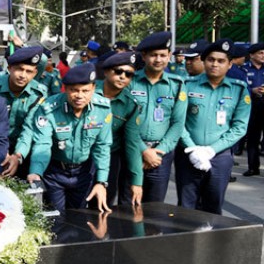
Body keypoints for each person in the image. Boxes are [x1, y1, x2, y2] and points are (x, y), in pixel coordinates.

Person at [176, 39, 250, 214]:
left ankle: (212, 241)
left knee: (214, 205)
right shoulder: (186, 86)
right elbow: (178, 121)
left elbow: (239, 127)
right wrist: (192, 148)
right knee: (186, 206)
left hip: (219, 157)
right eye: (210, 59)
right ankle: (187, 240)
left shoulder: (238, 90)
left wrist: (211, 150)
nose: (215, 64)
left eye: (221, 60)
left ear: (230, 64)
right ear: (203, 60)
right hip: (188, 154)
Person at [27, 63, 112, 213]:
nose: (79, 96)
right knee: (56, 219)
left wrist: (101, 181)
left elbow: (102, 147)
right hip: (55, 173)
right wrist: (36, 172)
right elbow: (42, 143)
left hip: (83, 173)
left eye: (85, 91)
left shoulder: (102, 108)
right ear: (65, 88)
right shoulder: (49, 108)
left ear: (93, 88)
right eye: (74, 90)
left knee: (78, 219)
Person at [128, 31, 187, 202]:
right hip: (133, 151)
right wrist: (144, 150)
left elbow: (177, 123)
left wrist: (157, 153)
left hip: (161, 155)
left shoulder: (177, 84)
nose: (158, 59)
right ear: (144, 56)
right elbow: (124, 121)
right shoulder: (130, 81)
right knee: (127, 206)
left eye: (163, 55)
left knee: (155, 208)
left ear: (169, 56)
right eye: (153, 55)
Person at [0, 46, 49, 178]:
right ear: (9, 68)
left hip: (22, 149)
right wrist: (0, 152)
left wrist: (17, 156)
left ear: (35, 73)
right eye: (19, 69)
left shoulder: (38, 93)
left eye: (29, 71)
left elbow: (29, 129)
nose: (23, 75)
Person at [95, 52, 143, 206]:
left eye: (128, 74)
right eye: (118, 71)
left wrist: (137, 181)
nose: (123, 77)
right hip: (80, 157)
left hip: (110, 157)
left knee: (104, 203)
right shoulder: (87, 91)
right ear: (107, 71)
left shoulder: (130, 104)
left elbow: (132, 143)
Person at [243, 42, 264, 176]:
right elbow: (241, 86)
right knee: (253, 138)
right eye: (260, 53)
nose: (263, 55)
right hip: (251, 106)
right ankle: (253, 167)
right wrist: (252, 90)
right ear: (252, 55)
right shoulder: (244, 69)